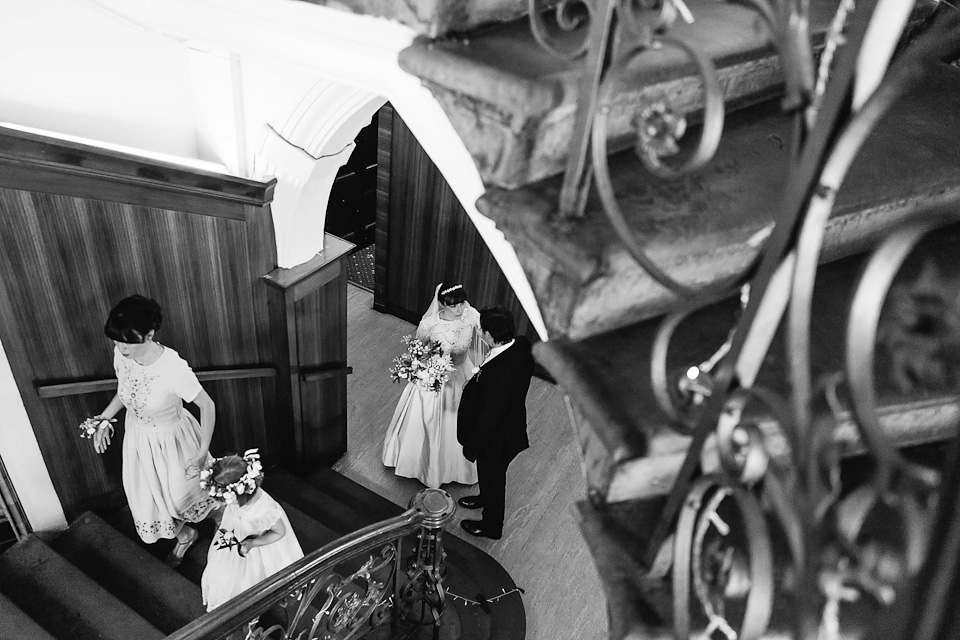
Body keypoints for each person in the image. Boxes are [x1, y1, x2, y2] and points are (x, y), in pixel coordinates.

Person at [89, 294, 218, 567]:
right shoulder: (122, 355)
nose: (120, 347)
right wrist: (104, 419)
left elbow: (207, 406)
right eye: (115, 340)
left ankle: (225, 527)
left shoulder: (173, 369)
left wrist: (202, 451)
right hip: (139, 440)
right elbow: (126, 392)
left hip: (173, 442)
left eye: (126, 341)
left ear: (149, 334)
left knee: (187, 496)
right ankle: (185, 536)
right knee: (149, 501)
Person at [382, 282, 485, 488]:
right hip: (435, 377)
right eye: (452, 305)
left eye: (461, 303)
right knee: (429, 419)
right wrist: (426, 370)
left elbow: (485, 335)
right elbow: (418, 350)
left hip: (462, 372)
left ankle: (460, 467)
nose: (458, 309)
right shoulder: (429, 324)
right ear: (441, 304)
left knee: (462, 420)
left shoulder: (470, 315)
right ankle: (423, 465)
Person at [456, 305, 535, 540]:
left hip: (498, 440)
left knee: (494, 479)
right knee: (491, 478)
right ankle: (483, 497)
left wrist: (471, 448)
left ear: (490, 336)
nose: (479, 332)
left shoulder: (497, 379)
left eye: (482, 330)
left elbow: (489, 420)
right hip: (512, 422)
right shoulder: (521, 345)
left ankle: (492, 527)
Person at [200, 450, 304, 611]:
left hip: (258, 543)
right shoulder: (240, 498)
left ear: (236, 493)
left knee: (251, 578)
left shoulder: (265, 510)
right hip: (235, 530)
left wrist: (253, 543)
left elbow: (279, 532)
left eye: (225, 498)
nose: (223, 502)